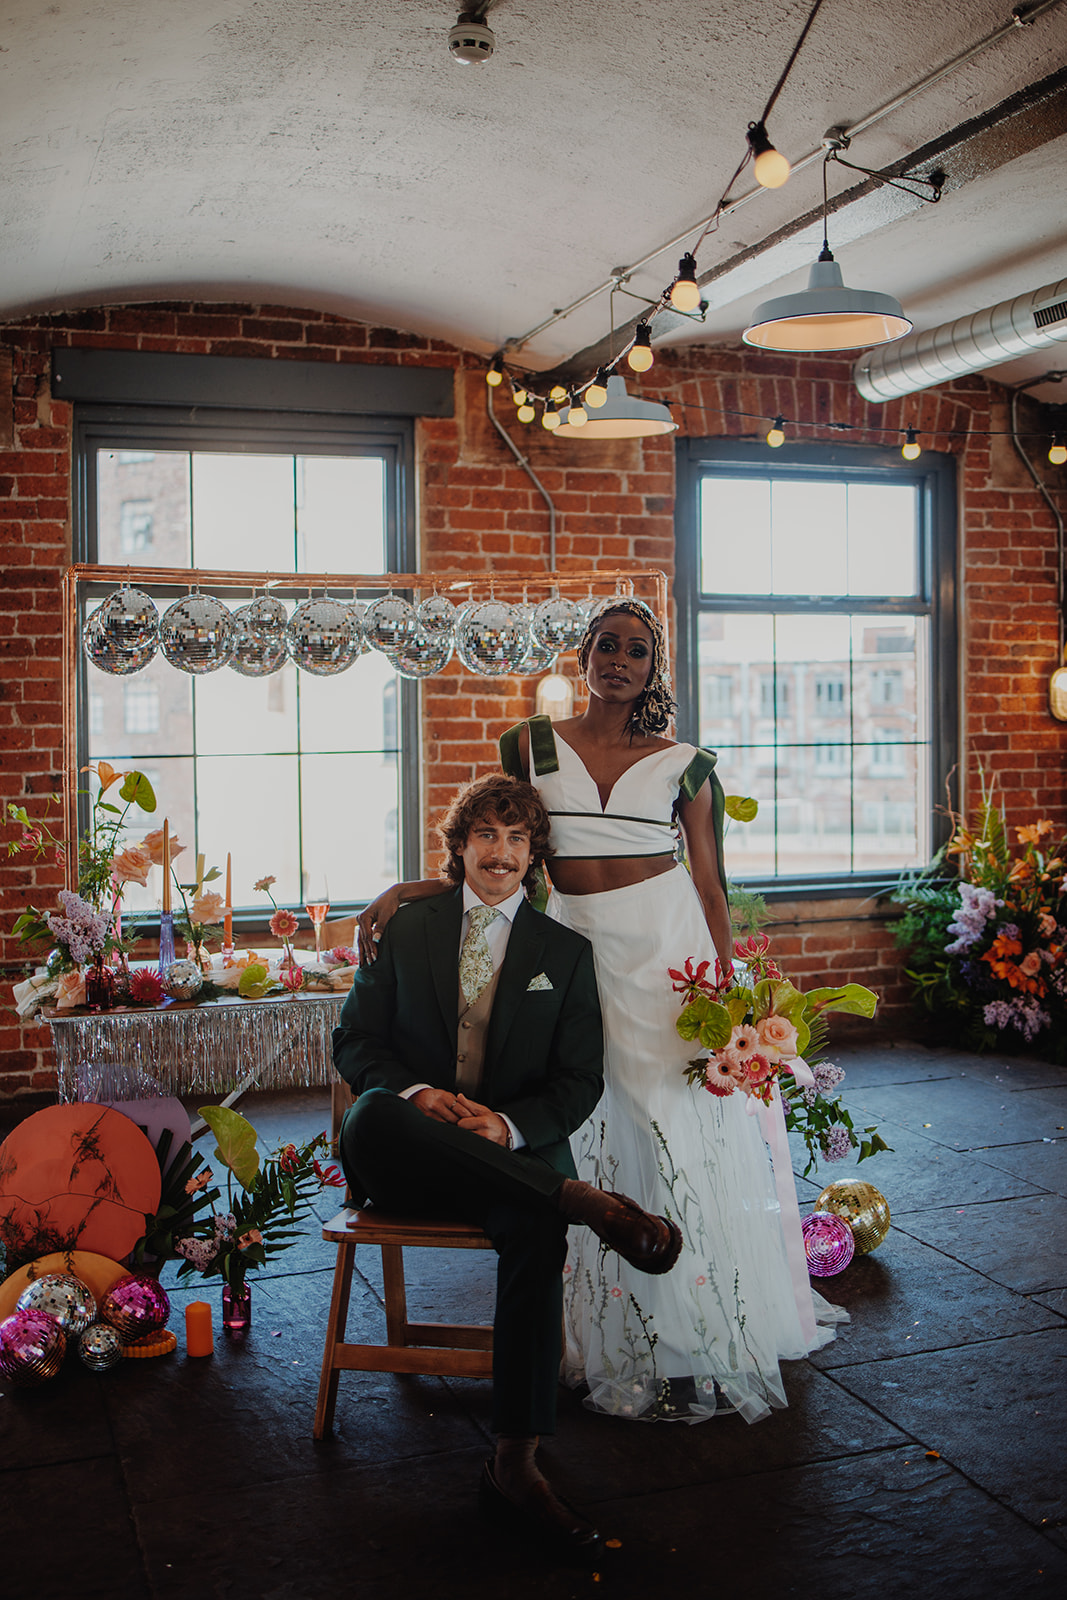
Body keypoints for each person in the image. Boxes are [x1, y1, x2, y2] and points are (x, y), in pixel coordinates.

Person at [358, 601, 846, 1425]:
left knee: (667, 1116)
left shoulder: (686, 764)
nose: (618, 659)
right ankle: (587, 1328)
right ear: (582, 657)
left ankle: (689, 1316)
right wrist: (417, 887)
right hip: (571, 943)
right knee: (580, 1117)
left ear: (653, 671)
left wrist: (729, 995)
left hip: (667, 952)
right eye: (605, 645)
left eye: (637, 651)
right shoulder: (528, 744)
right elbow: (502, 841)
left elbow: (710, 884)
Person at [334, 773, 682, 1553]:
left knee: (533, 1225)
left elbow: (578, 1079)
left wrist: (505, 1125)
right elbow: (354, 1042)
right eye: (486, 835)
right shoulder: (408, 927)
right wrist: (418, 1093)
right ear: (459, 847)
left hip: (509, 1163)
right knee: (375, 1112)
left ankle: (515, 1464)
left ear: (533, 855)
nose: (501, 852)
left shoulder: (562, 953)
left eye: (517, 838)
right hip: (403, 1160)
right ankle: (579, 1198)